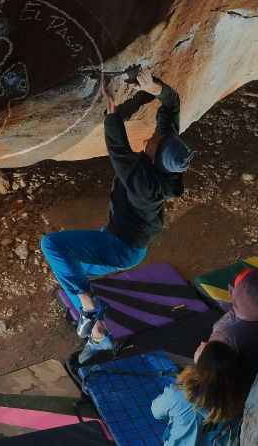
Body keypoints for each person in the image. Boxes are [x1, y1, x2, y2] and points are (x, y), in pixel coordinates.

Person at [41, 68, 193, 359]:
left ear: (157, 156)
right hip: (126, 245)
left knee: (53, 246)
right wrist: (155, 87)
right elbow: (172, 104)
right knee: (71, 271)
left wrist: (112, 112)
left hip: (119, 247)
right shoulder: (165, 159)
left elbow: (119, 151)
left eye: (154, 141)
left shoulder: (145, 186)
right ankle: (98, 334)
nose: (151, 137)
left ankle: (89, 311)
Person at [151, 340, 245, 445]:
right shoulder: (233, 398)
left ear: (203, 363)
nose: (202, 342)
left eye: (205, 348)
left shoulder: (177, 395)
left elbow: (156, 412)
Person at [209, 268, 258, 387]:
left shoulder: (223, 335)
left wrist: (200, 357)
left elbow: (213, 367)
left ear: (238, 293)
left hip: (238, 383)